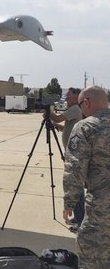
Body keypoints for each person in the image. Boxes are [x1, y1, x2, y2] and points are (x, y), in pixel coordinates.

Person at [59, 86, 110, 269]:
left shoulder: (87, 127)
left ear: (87, 103)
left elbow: (75, 168)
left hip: (103, 208)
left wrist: (69, 201)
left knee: (94, 262)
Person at [54, 88, 87, 226]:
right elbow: (69, 128)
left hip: (74, 154)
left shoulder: (74, 109)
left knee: (75, 185)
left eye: (68, 97)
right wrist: (58, 127)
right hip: (72, 152)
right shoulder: (74, 109)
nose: (66, 99)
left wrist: (47, 111)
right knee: (76, 185)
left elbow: (57, 117)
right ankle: (79, 217)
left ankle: (79, 219)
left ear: (76, 97)